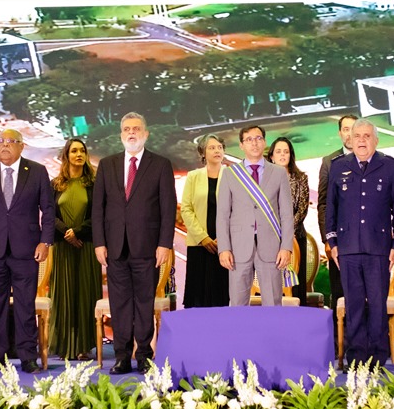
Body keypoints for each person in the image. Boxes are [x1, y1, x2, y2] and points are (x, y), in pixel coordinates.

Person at [92, 112, 176, 375]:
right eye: (126, 129)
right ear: (121, 135)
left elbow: (168, 207)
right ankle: (121, 357)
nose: (131, 133)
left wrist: (164, 243)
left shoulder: (160, 165)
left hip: (147, 247)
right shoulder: (107, 165)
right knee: (119, 305)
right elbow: (98, 208)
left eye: (136, 129)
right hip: (115, 248)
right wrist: (99, 243)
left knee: (143, 303)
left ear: (146, 134)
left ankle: (144, 356)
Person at [0, 128, 53, 374]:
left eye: (10, 142)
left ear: (21, 146)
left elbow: (48, 211)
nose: (4, 146)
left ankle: (28, 357)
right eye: (1, 142)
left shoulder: (36, 171)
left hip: (26, 250)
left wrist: (45, 242)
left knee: (26, 305)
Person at [325, 119, 394, 365]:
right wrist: (332, 242)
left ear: (376, 140)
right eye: (357, 135)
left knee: (378, 305)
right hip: (348, 248)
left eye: (367, 136)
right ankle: (357, 357)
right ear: (350, 139)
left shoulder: (390, 166)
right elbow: (331, 208)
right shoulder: (338, 167)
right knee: (355, 304)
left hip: (379, 248)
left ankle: (378, 357)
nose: (361, 140)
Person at [217, 125, 294, 307]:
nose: (254, 143)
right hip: (238, 248)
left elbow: (286, 214)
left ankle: (272, 336)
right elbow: (222, 215)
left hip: (271, 247)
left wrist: (286, 247)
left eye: (258, 138)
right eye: (249, 139)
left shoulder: (278, 173)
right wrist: (224, 248)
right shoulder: (229, 174)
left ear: (265, 142)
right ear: (241, 145)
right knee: (237, 303)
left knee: (273, 302)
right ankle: (241, 336)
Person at [49, 138, 101, 361]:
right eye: (73, 151)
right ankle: (64, 346)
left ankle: (84, 346)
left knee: (85, 295)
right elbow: (49, 214)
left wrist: (78, 232)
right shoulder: (55, 184)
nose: (78, 154)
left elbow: (99, 214)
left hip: (87, 246)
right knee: (64, 295)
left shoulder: (95, 184)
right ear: (66, 155)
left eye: (82, 151)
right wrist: (67, 233)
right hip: (63, 248)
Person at [180, 134, 229, 308]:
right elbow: (186, 208)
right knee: (198, 297)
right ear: (203, 153)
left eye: (219, 147)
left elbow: (238, 210)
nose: (217, 150)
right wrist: (203, 237)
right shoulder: (193, 176)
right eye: (211, 147)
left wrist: (224, 238)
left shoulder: (233, 176)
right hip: (199, 245)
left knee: (221, 296)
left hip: (224, 247)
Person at [317, 114, 357, 308]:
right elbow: (323, 203)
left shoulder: (376, 159)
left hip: (368, 240)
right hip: (339, 240)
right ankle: (339, 337)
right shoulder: (329, 162)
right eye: (346, 129)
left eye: (354, 129)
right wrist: (327, 239)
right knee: (339, 292)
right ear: (340, 133)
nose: (350, 134)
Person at [267, 136, 310, 305]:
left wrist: (286, 232)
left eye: (286, 152)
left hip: (295, 238)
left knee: (295, 286)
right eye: (278, 152)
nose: (282, 155)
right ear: (271, 156)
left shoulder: (301, 178)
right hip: (270, 239)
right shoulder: (263, 180)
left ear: (291, 155)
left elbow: (302, 209)